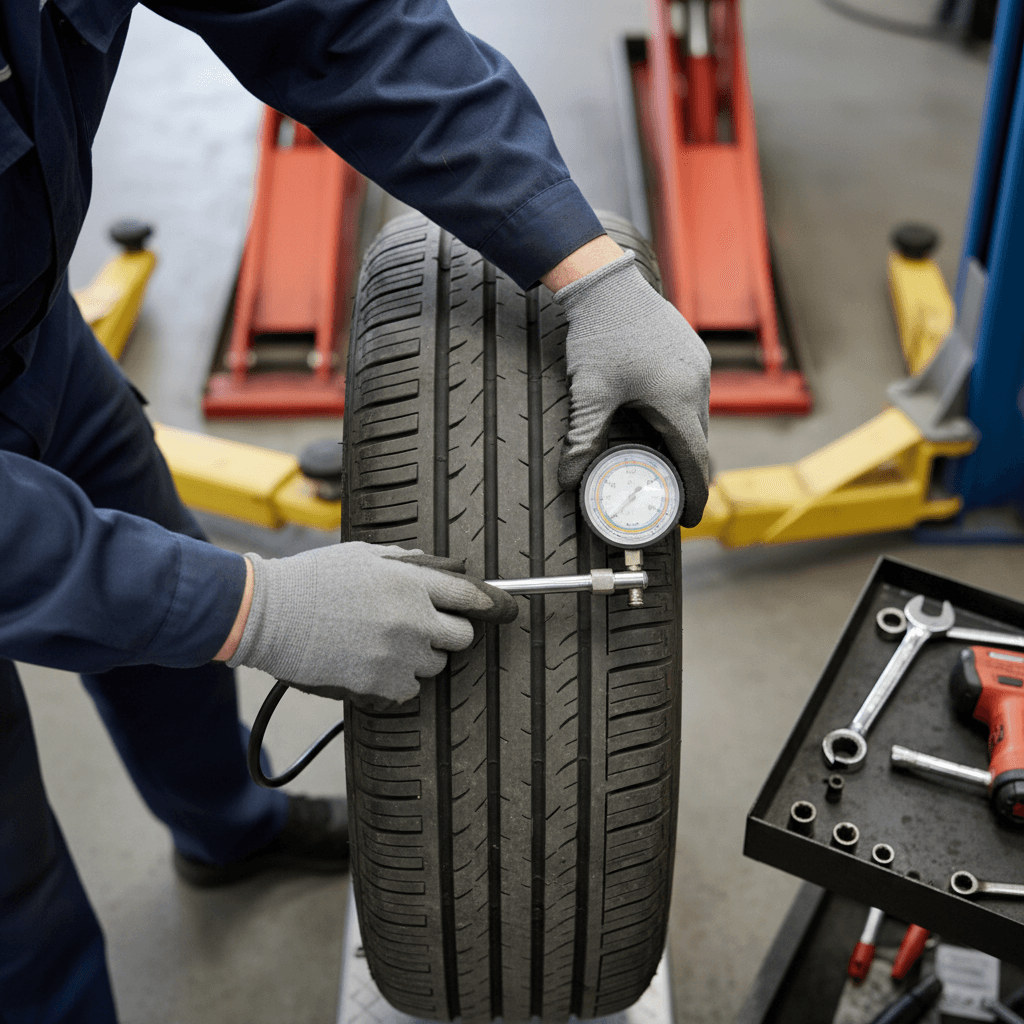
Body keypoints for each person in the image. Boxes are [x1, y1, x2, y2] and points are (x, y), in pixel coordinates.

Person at [0, 0, 712, 1019]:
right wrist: (250, 609)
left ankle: (229, 825)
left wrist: (585, 268)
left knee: (146, 551)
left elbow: (336, 20)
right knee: (15, 906)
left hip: (30, 337)